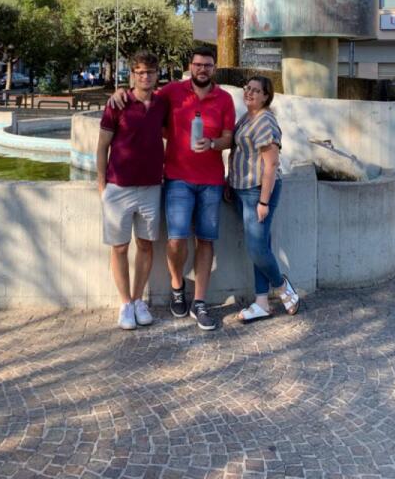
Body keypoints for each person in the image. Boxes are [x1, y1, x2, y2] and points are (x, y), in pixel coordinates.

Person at [109, 46, 235, 330]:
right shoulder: (172, 92)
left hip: (212, 180)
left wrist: (212, 143)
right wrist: (119, 91)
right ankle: (178, 287)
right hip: (177, 178)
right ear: (190, 66)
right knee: (176, 240)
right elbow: (143, 93)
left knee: (206, 240)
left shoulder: (225, 98)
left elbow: (229, 138)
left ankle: (199, 301)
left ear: (214, 68)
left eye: (208, 65)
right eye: (198, 64)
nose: (202, 69)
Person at [96, 50, 169, 331]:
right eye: (140, 72)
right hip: (119, 187)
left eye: (150, 72)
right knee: (119, 247)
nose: (145, 77)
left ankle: (139, 300)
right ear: (132, 75)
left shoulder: (162, 104)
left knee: (146, 245)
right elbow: (102, 147)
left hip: (151, 186)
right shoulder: (118, 103)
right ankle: (125, 303)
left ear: (156, 74)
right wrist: (101, 185)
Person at [227, 75, 299, 323]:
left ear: (266, 96)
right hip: (243, 189)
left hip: (258, 191)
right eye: (247, 88)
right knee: (261, 246)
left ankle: (282, 287)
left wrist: (264, 202)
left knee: (256, 248)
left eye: (256, 90)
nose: (249, 93)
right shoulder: (247, 117)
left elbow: (271, 164)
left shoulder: (265, 122)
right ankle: (261, 303)